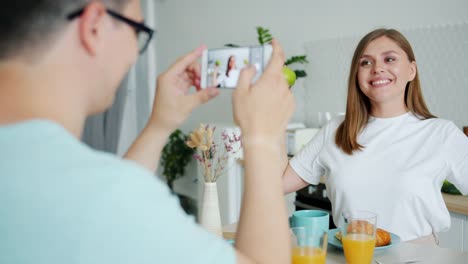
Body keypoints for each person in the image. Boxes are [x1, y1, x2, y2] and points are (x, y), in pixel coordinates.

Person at [0, 1, 295, 263]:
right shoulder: (106, 195)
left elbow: (108, 210)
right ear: (94, 27)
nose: (133, 54)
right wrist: (262, 139)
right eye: (137, 30)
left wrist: (160, 125)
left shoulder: (76, 188)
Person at [282, 28, 468, 244]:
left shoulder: (441, 133)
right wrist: (273, 115)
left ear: (411, 70)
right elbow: (276, 184)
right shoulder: (336, 130)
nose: (378, 68)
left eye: (389, 59)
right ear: (356, 75)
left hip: (418, 258)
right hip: (352, 256)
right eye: (366, 63)